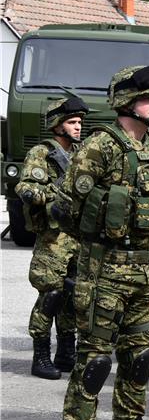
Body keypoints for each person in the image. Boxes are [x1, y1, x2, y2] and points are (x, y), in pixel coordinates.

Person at [59, 65, 149, 420]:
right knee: (93, 363)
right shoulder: (100, 146)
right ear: (126, 101)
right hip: (104, 272)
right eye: (148, 98)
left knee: (139, 360)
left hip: (146, 272)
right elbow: (65, 208)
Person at [17, 97, 88, 380]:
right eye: (72, 122)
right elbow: (25, 188)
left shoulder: (82, 153)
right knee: (51, 295)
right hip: (53, 238)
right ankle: (41, 355)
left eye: (80, 122)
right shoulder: (42, 153)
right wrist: (55, 196)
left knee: (72, 295)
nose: (78, 127)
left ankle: (66, 352)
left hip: (77, 238)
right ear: (57, 125)